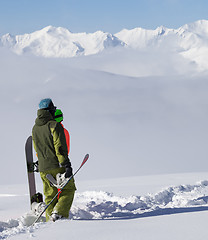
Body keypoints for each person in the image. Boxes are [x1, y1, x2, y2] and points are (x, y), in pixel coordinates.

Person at [32, 98, 76, 222]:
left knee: (50, 195)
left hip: (43, 168)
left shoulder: (35, 128)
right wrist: (66, 164)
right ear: (50, 110)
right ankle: (59, 215)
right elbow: (60, 147)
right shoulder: (54, 125)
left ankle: (49, 225)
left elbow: (37, 148)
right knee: (68, 189)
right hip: (57, 165)